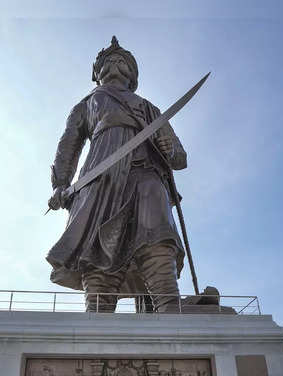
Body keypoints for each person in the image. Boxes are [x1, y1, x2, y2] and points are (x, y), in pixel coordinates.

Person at [46, 36, 190, 313]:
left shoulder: (149, 109)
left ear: (132, 74)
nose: (115, 62)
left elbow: (179, 158)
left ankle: (169, 308)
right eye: (108, 61)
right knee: (97, 247)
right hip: (100, 180)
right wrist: (60, 184)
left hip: (146, 176)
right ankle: (98, 314)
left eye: (123, 61)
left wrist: (169, 148)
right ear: (97, 72)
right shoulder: (87, 104)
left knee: (157, 235)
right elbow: (68, 146)